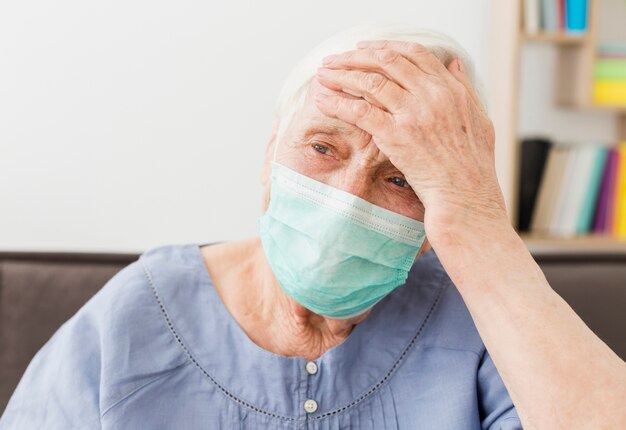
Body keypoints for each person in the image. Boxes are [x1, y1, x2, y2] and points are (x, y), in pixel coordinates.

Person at [1, 24, 625, 429]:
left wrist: (480, 225)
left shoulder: (485, 323)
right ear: (272, 149)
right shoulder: (139, 313)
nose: (347, 201)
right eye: (322, 148)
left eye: (401, 177)